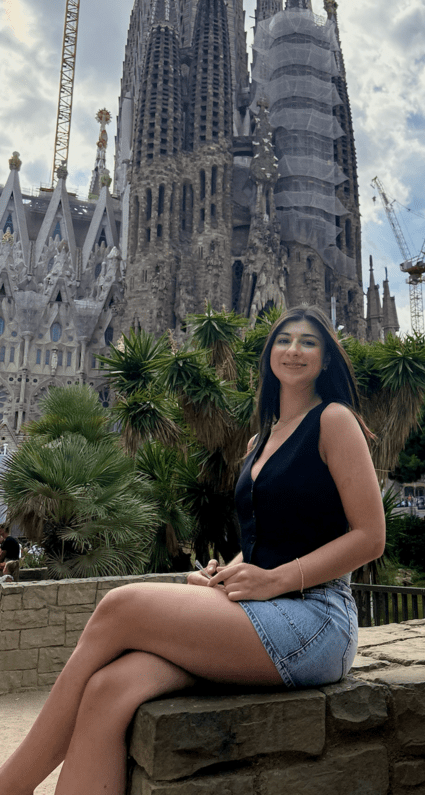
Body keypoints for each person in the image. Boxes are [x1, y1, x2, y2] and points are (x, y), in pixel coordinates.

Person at [0, 305, 385, 795]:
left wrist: (276, 579)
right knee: (109, 689)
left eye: (309, 342)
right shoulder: (258, 441)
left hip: (317, 619)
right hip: (266, 608)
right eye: (284, 340)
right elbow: (266, 542)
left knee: (121, 605)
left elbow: (370, 537)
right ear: (269, 354)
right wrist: (229, 572)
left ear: (327, 359)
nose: (294, 350)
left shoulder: (334, 420)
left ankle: (11, 784)